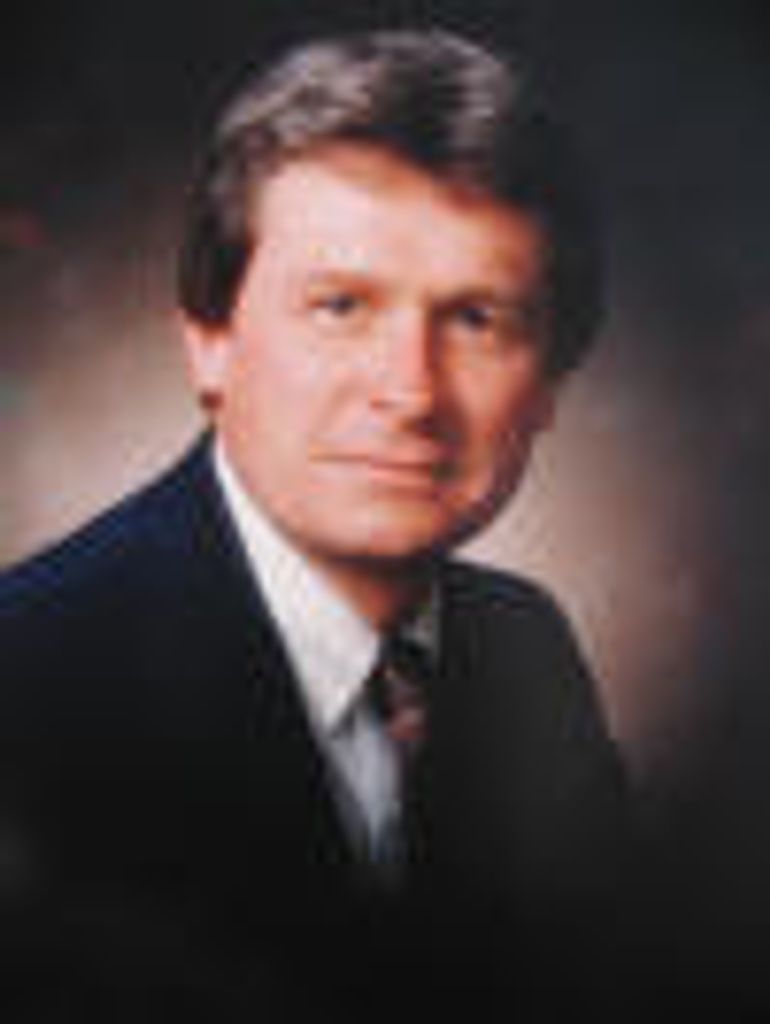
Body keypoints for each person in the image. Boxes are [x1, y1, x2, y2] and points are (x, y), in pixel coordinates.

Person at [0, 27, 631, 1021]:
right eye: (341, 306)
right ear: (208, 341)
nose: (410, 392)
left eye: (476, 319)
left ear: (549, 383)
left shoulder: (525, 648)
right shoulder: (25, 681)